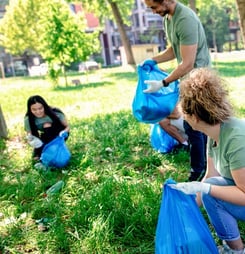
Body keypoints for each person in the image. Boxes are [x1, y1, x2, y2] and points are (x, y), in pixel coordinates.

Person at [170, 68, 245, 254]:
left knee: (211, 191)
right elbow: (211, 175)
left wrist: (206, 189)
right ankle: (234, 247)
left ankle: (236, 251)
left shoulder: (236, 139)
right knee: (210, 188)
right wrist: (188, 207)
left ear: (194, 117)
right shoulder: (214, 131)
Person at [141, 0, 211, 181]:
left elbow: (187, 63)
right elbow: (174, 49)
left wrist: (163, 82)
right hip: (188, 81)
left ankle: (199, 171)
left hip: (200, 80)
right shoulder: (168, 18)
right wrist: (153, 60)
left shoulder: (185, 19)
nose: (154, 11)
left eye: (154, 7)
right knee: (197, 127)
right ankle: (204, 167)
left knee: (195, 126)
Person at [24, 95, 70, 161]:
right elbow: (30, 135)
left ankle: (47, 150)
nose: (38, 112)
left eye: (40, 108)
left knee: (46, 125)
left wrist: (64, 132)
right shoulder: (28, 119)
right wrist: (32, 140)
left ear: (44, 106)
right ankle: (43, 151)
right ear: (30, 109)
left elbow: (67, 127)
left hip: (60, 134)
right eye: (34, 109)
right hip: (46, 135)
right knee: (37, 155)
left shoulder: (55, 113)